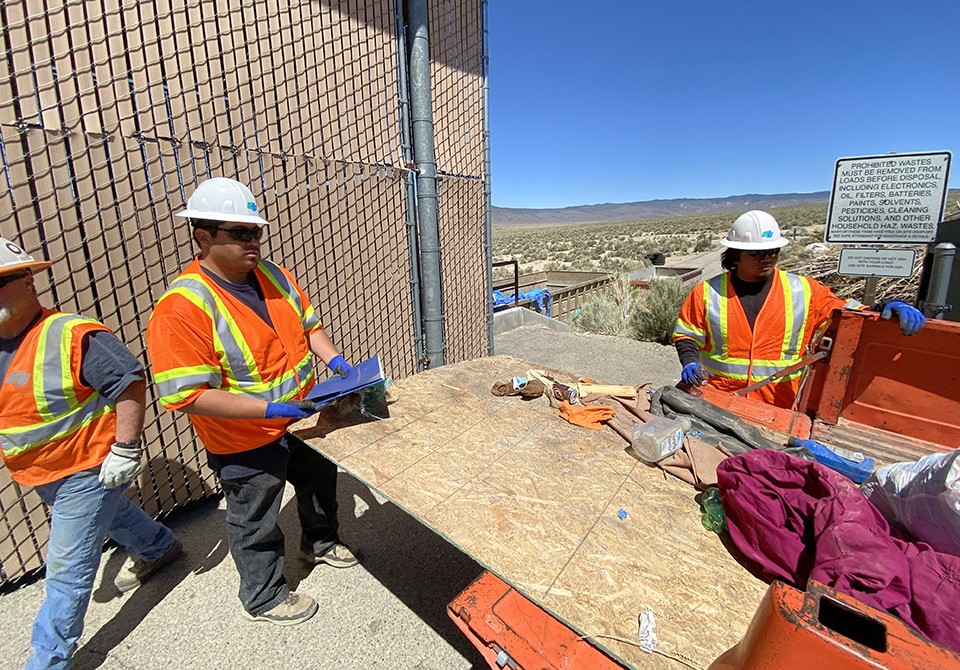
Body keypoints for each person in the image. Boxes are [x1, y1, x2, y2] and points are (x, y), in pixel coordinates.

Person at [146, 177, 359, 627]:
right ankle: (263, 596)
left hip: (302, 416)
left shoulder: (273, 275)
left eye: (256, 231)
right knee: (255, 515)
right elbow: (188, 396)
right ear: (203, 237)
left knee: (320, 481)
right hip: (245, 436)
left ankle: (320, 543)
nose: (253, 242)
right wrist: (271, 410)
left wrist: (335, 360)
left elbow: (309, 326)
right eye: (239, 233)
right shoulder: (182, 307)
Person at [0, 239, 182, 670]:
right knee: (114, 513)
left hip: (87, 465)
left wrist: (125, 448)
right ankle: (158, 545)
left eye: (3, 281)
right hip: (39, 471)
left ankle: (49, 659)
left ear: (29, 280)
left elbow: (129, 381)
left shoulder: (70, 334)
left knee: (66, 568)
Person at [673, 210, 926, 408]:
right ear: (735, 255)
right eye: (756, 254)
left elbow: (848, 314)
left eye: (772, 252)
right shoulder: (708, 292)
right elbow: (687, 334)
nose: (766, 259)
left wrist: (884, 309)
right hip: (720, 399)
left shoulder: (803, 291)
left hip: (780, 405)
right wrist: (690, 362)